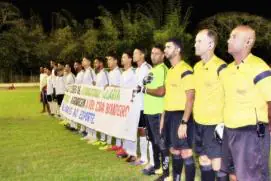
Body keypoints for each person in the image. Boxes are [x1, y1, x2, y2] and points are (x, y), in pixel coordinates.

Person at [221, 25, 271, 181]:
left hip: (251, 133)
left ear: (248, 42)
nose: (228, 40)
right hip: (229, 131)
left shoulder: (258, 67)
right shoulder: (227, 70)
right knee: (233, 174)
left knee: (251, 177)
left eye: (234, 36)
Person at [157, 38, 196, 181]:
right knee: (174, 149)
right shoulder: (171, 71)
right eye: (165, 47)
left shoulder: (185, 69)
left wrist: (184, 122)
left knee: (186, 152)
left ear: (178, 50)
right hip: (169, 115)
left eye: (168, 47)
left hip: (181, 116)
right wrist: (163, 119)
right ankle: (176, 178)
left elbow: (191, 97)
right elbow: (167, 98)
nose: (165, 49)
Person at [193, 29, 228, 181]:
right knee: (203, 161)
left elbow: (230, 95)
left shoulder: (222, 67)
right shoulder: (196, 67)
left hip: (215, 124)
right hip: (198, 123)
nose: (195, 44)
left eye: (199, 41)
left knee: (218, 165)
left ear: (210, 44)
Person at [141, 45, 169, 176]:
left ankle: (166, 172)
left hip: (158, 112)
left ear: (163, 55)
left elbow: (161, 91)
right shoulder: (152, 70)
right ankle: (157, 167)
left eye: (157, 53)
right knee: (153, 141)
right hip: (149, 111)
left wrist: (145, 90)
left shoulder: (163, 69)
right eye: (152, 53)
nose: (153, 56)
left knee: (161, 142)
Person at [129, 47, 152, 166]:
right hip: (137, 105)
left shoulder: (147, 68)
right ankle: (143, 156)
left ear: (142, 55)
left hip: (144, 105)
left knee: (145, 131)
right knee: (140, 130)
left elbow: (150, 85)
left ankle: (147, 158)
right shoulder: (137, 69)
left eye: (135, 53)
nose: (133, 55)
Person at [99, 53, 122, 151]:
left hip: (118, 102)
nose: (108, 61)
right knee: (110, 123)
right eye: (107, 60)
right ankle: (112, 143)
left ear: (116, 61)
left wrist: (111, 87)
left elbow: (122, 87)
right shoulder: (110, 72)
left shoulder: (118, 72)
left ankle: (119, 144)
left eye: (110, 59)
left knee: (117, 124)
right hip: (111, 101)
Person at [116, 51, 137, 158]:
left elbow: (136, 88)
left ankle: (132, 152)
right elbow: (120, 88)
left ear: (130, 59)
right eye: (122, 57)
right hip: (123, 105)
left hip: (132, 104)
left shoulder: (134, 72)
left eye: (124, 57)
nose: (122, 59)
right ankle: (125, 149)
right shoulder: (123, 73)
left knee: (131, 128)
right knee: (124, 127)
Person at [89, 57, 109, 145]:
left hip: (104, 101)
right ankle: (100, 138)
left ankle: (105, 140)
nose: (94, 65)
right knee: (99, 120)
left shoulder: (105, 73)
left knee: (104, 121)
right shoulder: (98, 74)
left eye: (96, 63)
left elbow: (108, 85)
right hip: (98, 101)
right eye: (94, 63)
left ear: (101, 63)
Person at [80, 56, 96, 140]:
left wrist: (92, 96)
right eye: (82, 60)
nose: (82, 62)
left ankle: (93, 135)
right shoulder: (85, 72)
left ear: (89, 62)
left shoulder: (90, 71)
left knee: (91, 116)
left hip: (90, 97)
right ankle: (89, 133)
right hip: (85, 97)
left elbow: (94, 83)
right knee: (87, 116)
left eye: (84, 60)